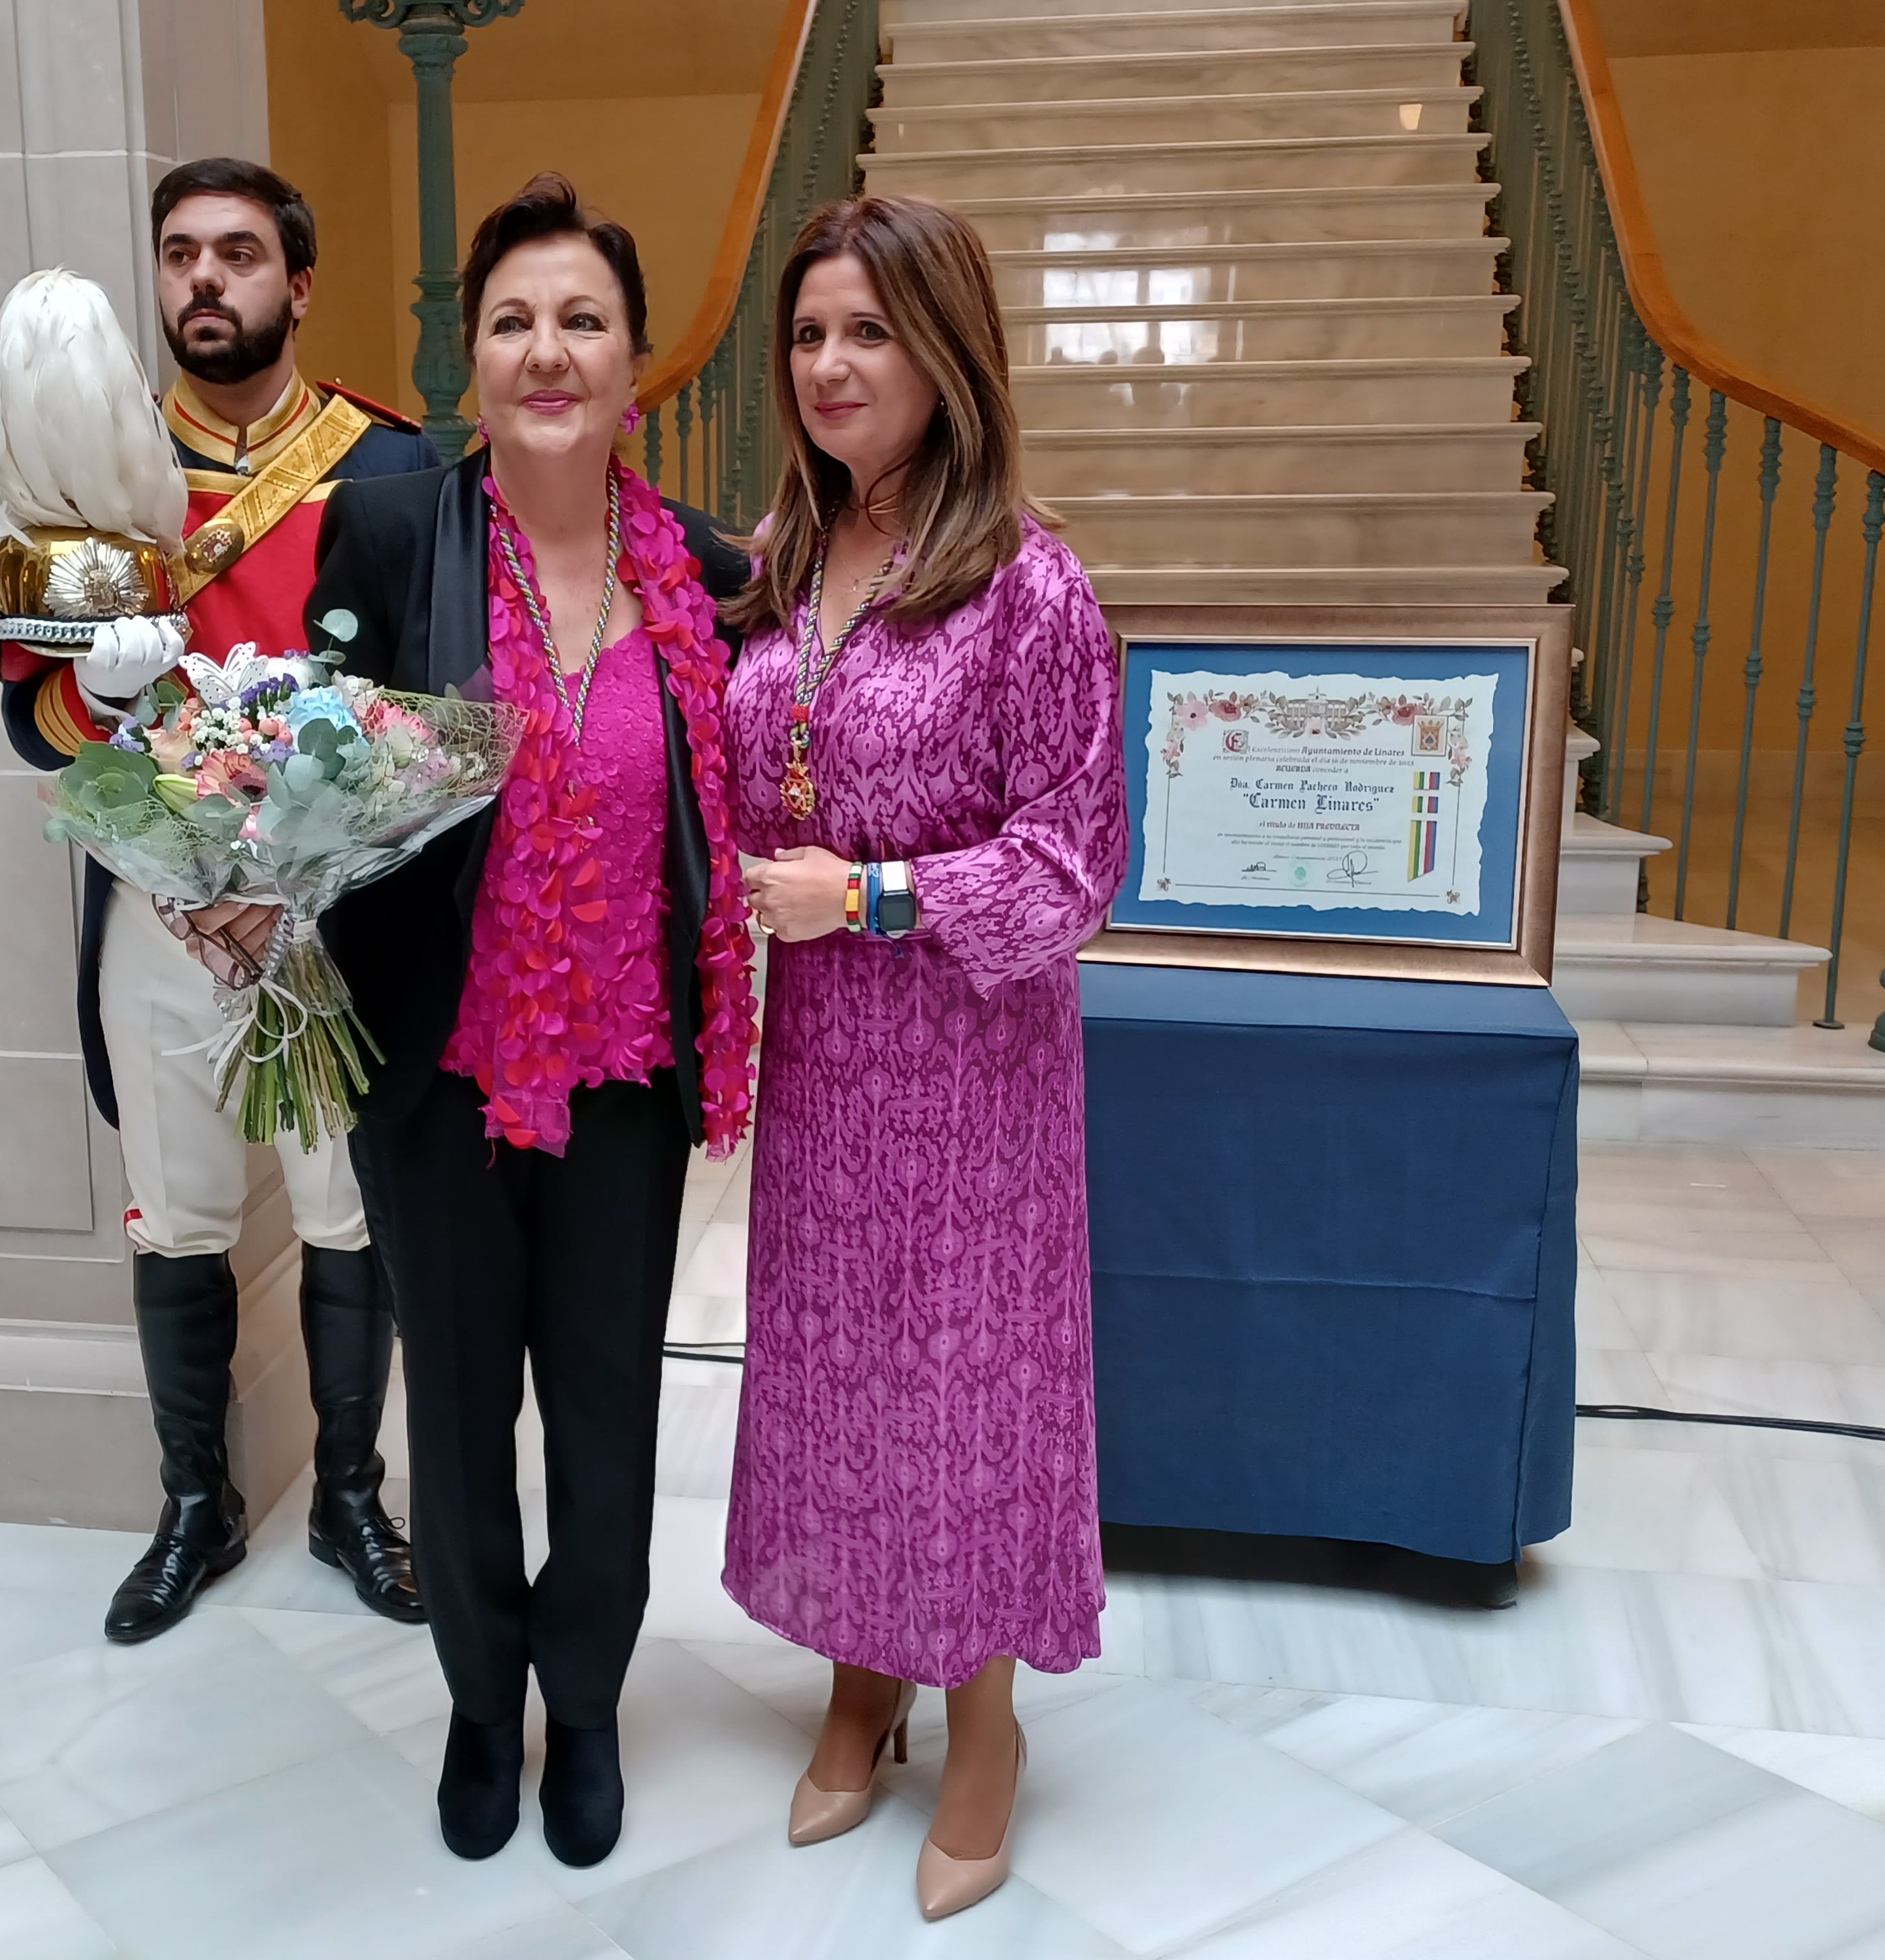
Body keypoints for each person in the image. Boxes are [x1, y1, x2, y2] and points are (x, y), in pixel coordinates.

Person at [304, 174, 758, 1870]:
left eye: (582, 320)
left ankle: (588, 1700)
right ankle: (482, 1706)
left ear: (635, 366)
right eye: (512, 321)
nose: (546, 350)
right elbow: (311, 779)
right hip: (442, 1071)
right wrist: (242, 883)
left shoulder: (705, 573)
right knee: (456, 1413)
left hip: (628, 1079)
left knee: (605, 1410)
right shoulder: (391, 534)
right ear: (474, 362)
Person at [722, 193, 1128, 1922]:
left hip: (971, 1071)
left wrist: (869, 896)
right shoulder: (776, 560)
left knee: (967, 1393)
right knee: (833, 1374)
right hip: (822, 1067)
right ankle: (858, 1674)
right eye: (809, 333)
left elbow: (1073, 864)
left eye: (869, 332)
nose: (830, 364)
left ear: (947, 350)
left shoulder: (1028, 585)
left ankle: (982, 1724)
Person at [0, 157, 440, 1646]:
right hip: (158, 909)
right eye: (180, 252)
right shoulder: (89, 476)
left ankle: (350, 1497)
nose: (204, 279)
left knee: (347, 1213)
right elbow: (31, 722)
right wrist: (98, 702)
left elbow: (430, 707)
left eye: (238, 254)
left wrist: (307, 876)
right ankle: (196, 1506)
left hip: (330, 918)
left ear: (297, 286)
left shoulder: (390, 465)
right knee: (177, 1220)